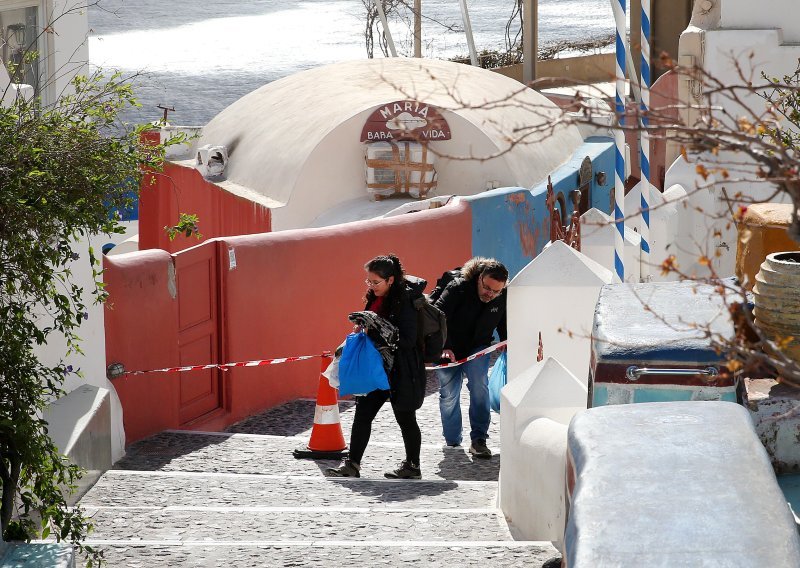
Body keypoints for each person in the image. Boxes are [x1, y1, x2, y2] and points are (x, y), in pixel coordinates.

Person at [326, 254, 427, 479]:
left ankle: (413, 466)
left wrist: (378, 325)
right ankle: (352, 464)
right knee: (362, 414)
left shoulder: (407, 300)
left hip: (401, 367)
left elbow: (409, 339)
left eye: (375, 282)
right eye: (368, 282)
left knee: (405, 417)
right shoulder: (374, 297)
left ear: (390, 280)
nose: (371, 286)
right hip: (376, 366)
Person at [433, 257, 508, 459]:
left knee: (479, 387)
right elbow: (436, 317)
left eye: (496, 291)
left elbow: (503, 321)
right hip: (448, 348)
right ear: (479, 278)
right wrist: (444, 346)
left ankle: (479, 439)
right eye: (487, 288)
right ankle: (453, 440)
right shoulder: (458, 287)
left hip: (478, 347)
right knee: (449, 394)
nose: (490, 294)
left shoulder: (502, 296)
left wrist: (507, 342)